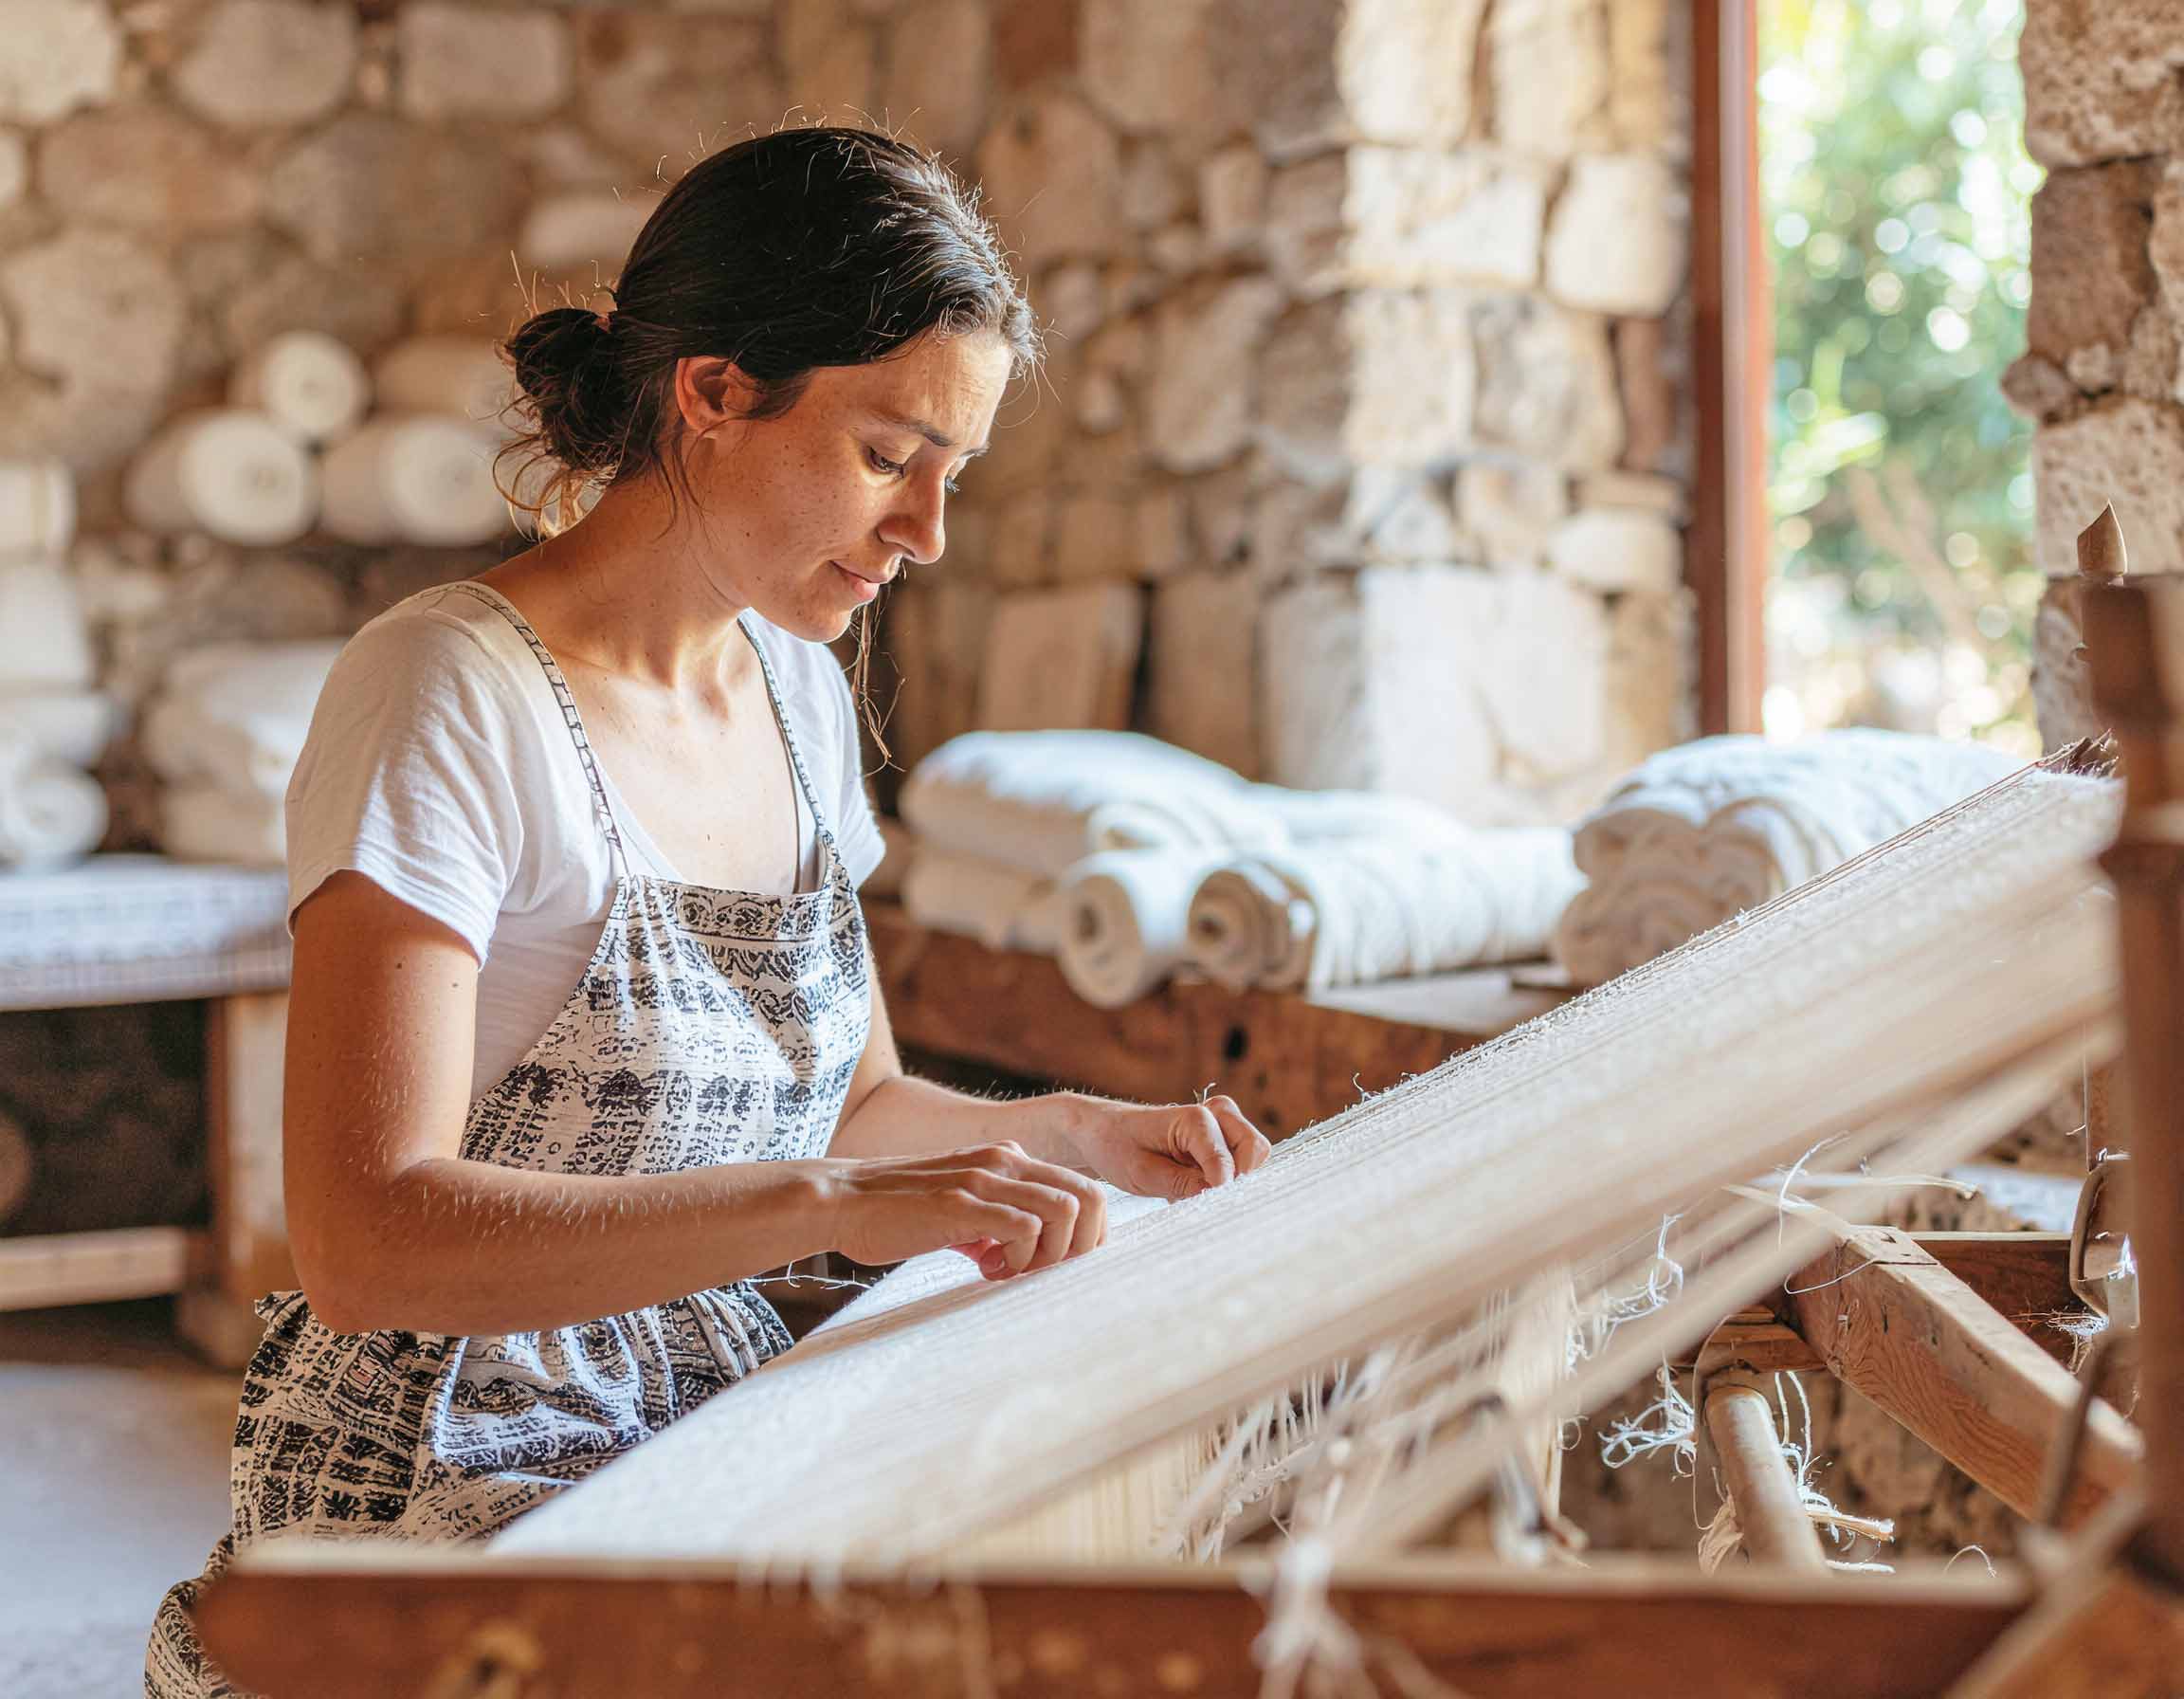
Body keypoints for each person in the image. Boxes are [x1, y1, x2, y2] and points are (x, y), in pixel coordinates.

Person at [146, 125, 1270, 1697]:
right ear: (716, 392)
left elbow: (857, 1099)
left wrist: (1071, 1134)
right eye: (890, 455)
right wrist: (825, 1210)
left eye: (955, 472)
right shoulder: (447, 693)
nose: (927, 534)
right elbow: (366, 1243)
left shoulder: (800, 694)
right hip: (453, 1485)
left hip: (709, 1422)